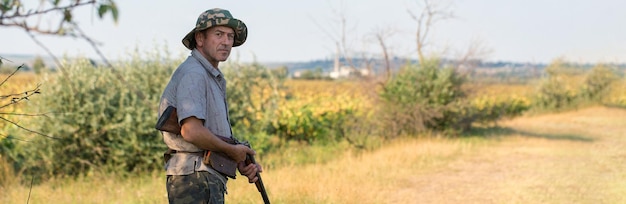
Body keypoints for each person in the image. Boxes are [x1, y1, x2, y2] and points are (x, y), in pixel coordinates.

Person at [157, 8, 262, 204]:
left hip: (201, 175)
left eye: (230, 36)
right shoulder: (195, 74)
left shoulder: (208, 75)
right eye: (219, 34)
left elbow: (208, 132)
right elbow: (191, 132)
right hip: (195, 178)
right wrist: (231, 151)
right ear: (200, 39)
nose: (226, 42)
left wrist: (239, 158)